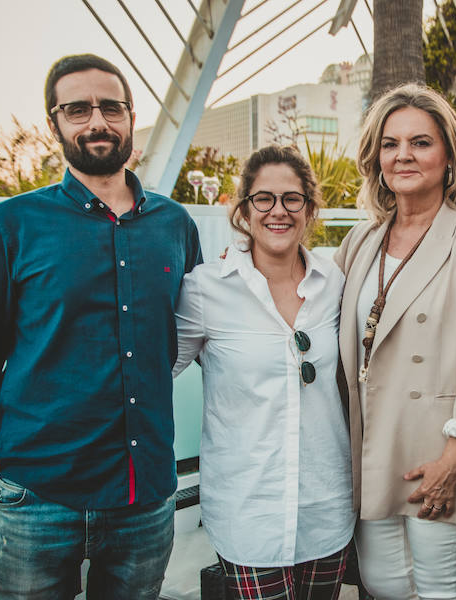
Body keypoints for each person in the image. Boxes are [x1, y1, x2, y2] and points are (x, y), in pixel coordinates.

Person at [0, 54, 202, 599]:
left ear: (132, 116)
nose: (97, 121)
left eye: (111, 107)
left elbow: (202, 330)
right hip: (37, 496)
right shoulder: (8, 226)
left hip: (146, 494)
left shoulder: (176, 225)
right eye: (77, 109)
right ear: (54, 122)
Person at [333, 83, 456, 599]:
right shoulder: (360, 242)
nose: (403, 156)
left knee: (439, 589)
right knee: (383, 584)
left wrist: (453, 460)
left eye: (420, 142)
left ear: (449, 156)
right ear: (376, 160)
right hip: (374, 447)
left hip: (439, 454)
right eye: (390, 144)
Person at [172, 145, 355, 600]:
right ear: (243, 209)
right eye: (264, 198)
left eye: (292, 199)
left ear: (310, 210)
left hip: (325, 505)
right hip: (247, 510)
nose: (278, 211)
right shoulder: (204, 289)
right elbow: (153, 374)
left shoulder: (335, 283)